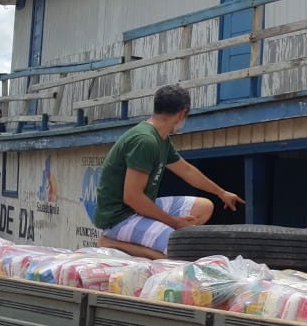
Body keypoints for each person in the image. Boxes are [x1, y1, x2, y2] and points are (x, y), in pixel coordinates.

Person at [93, 84, 245, 259]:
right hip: (119, 217)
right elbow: (132, 197)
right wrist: (174, 222)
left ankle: (157, 237)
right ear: (182, 114)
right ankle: (111, 242)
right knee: (180, 249)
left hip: (136, 207)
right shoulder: (145, 141)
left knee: (204, 207)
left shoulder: (161, 139)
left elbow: (187, 171)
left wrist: (221, 193)